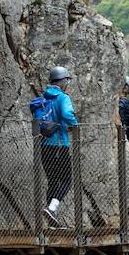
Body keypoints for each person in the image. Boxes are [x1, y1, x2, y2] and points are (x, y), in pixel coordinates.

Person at [30, 65, 79, 228]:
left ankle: (51, 220)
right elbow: (66, 114)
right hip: (59, 144)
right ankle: (52, 208)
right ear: (63, 81)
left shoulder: (44, 98)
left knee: (52, 180)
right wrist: (75, 125)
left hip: (44, 145)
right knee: (66, 180)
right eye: (67, 80)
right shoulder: (62, 98)